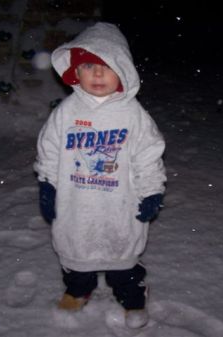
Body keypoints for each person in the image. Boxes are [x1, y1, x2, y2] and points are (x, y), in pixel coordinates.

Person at [33, 22, 166, 329]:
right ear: (75, 72)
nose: (96, 74)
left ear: (123, 71)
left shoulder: (133, 115)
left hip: (120, 203)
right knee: (76, 251)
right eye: (89, 65)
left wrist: (151, 191)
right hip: (76, 202)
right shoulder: (66, 112)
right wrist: (48, 184)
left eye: (106, 66)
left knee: (122, 257)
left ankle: (132, 295)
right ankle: (80, 289)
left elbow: (148, 156)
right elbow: (49, 151)